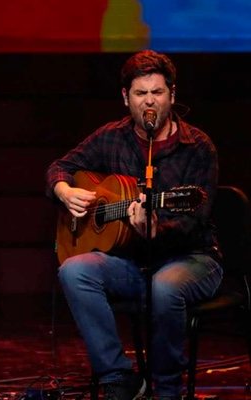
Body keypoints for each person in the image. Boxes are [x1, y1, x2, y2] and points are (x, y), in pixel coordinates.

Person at [46, 50, 222, 400]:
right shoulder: (112, 137)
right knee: (74, 271)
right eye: (141, 94)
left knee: (165, 287)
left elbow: (194, 221)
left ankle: (167, 391)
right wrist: (64, 191)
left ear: (172, 94)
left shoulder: (198, 146)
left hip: (191, 259)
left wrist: (155, 229)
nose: (150, 102)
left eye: (157, 92)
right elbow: (60, 167)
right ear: (125, 98)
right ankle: (120, 380)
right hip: (132, 262)